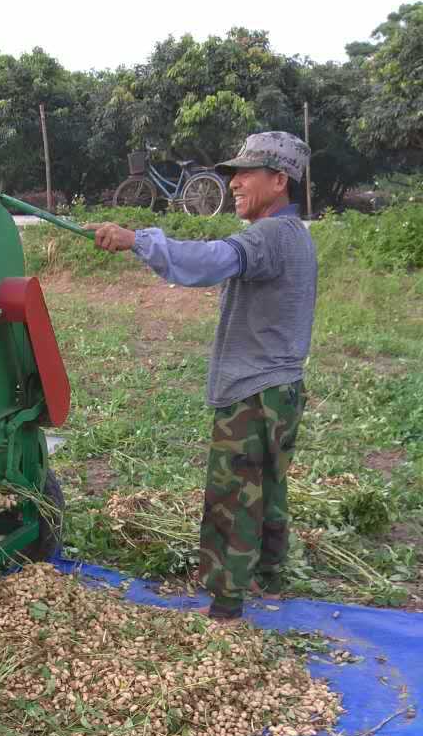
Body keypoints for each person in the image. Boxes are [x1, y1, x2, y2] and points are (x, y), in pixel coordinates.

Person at [91, 131, 317, 620]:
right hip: (282, 387)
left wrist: (137, 240)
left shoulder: (268, 236)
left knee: (235, 495)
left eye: (245, 174)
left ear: (279, 180)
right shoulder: (296, 233)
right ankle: (269, 579)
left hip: (252, 391)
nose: (233, 183)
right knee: (269, 486)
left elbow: (212, 261)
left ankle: (226, 606)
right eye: (232, 173)